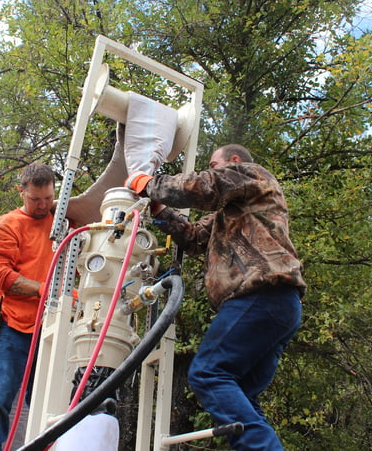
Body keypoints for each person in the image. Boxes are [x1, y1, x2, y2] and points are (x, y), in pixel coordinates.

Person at [125, 144, 306, 450]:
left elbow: (205, 187)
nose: (212, 169)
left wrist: (149, 183)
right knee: (241, 396)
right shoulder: (234, 212)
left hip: (261, 295)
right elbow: (194, 238)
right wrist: (159, 209)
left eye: (214, 164)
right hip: (278, 305)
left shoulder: (251, 174)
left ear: (234, 162)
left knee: (209, 373)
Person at [0, 162, 56, 451]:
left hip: (46, 329)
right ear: (22, 193)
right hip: (9, 324)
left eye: (48, 198)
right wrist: (41, 290)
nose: (42, 205)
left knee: (45, 404)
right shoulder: (8, 224)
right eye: (35, 199)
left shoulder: (61, 221)